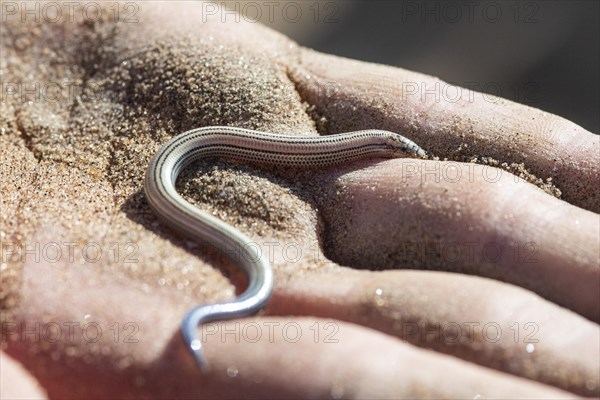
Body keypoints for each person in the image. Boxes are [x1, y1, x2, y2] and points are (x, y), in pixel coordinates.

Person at [1, 2, 598, 398]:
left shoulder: (355, 147)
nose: (397, 148)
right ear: (381, 144)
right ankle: (224, 304)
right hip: (178, 165)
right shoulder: (352, 145)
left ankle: (217, 309)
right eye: (392, 145)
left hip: (188, 155)